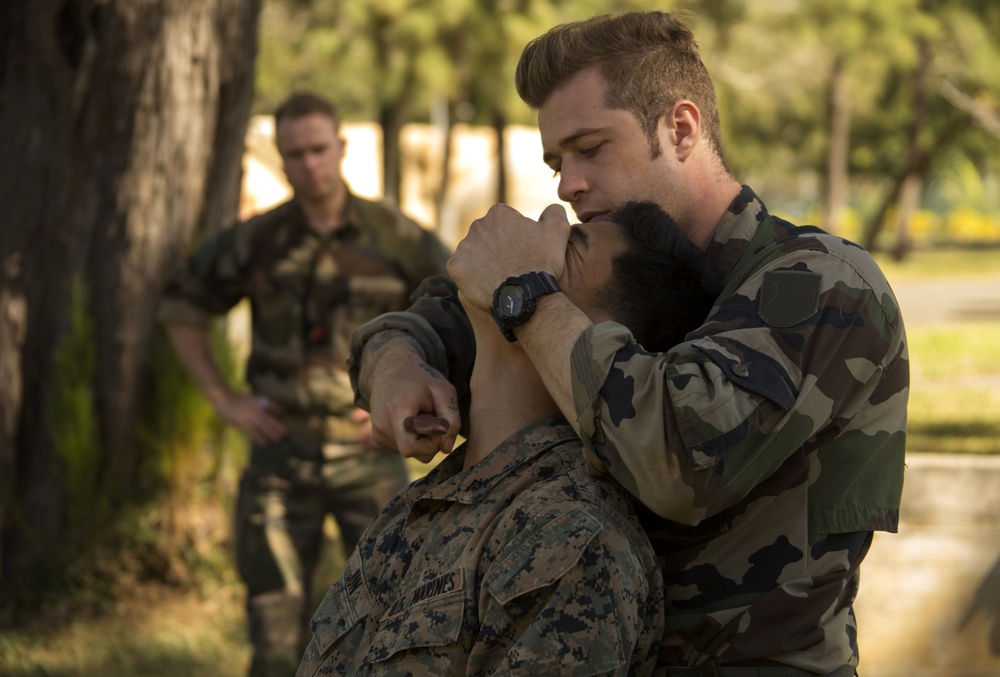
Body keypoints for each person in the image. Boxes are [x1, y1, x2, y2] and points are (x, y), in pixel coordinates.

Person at [348, 11, 908, 676]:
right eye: (557, 161)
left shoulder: (816, 282)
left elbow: (675, 457)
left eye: (590, 148)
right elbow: (425, 321)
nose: (566, 184)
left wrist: (526, 296)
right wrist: (394, 366)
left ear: (681, 128)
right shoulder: (590, 270)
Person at [298, 201, 722, 676]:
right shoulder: (435, 498)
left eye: (570, 247)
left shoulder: (572, 540)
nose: (552, 216)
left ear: (596, 340)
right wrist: (396, 358)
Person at [157, 91, 452, 677]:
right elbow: (181, 305)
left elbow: (459, 311)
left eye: (319, 149)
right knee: (273, 629)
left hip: (368, 456)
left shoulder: (393, 237)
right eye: (294, 154)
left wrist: (403, 399)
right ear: (282, 159)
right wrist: (224, 399)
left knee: (391, 616)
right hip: (279, 456)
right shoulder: (259, 240)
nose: (309, 164)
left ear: (340, 147)